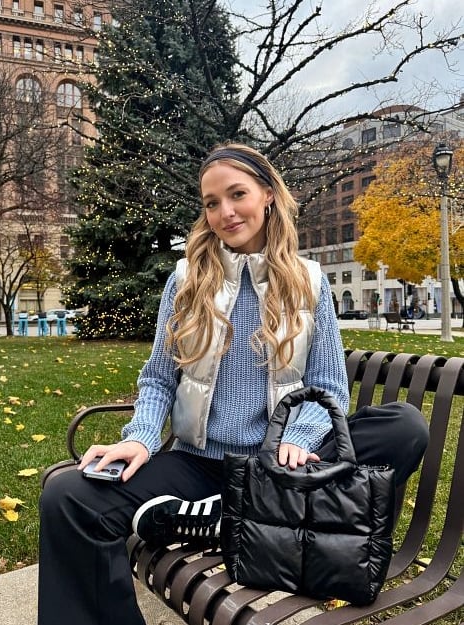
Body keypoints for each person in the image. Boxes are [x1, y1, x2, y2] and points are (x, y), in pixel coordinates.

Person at [38, 143, 429, 625]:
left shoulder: (309, 281)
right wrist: (139, 437)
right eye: (211, 202)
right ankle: (227, 513)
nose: (224, 212)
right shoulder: (185, 279)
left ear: (267, 194)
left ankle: (227, 513)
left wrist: (297, 438)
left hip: (276, 469)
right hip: (196, 463)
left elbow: (328, 385)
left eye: (236, 194)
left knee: (404, 425)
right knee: (67, 497)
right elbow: (160, 377)